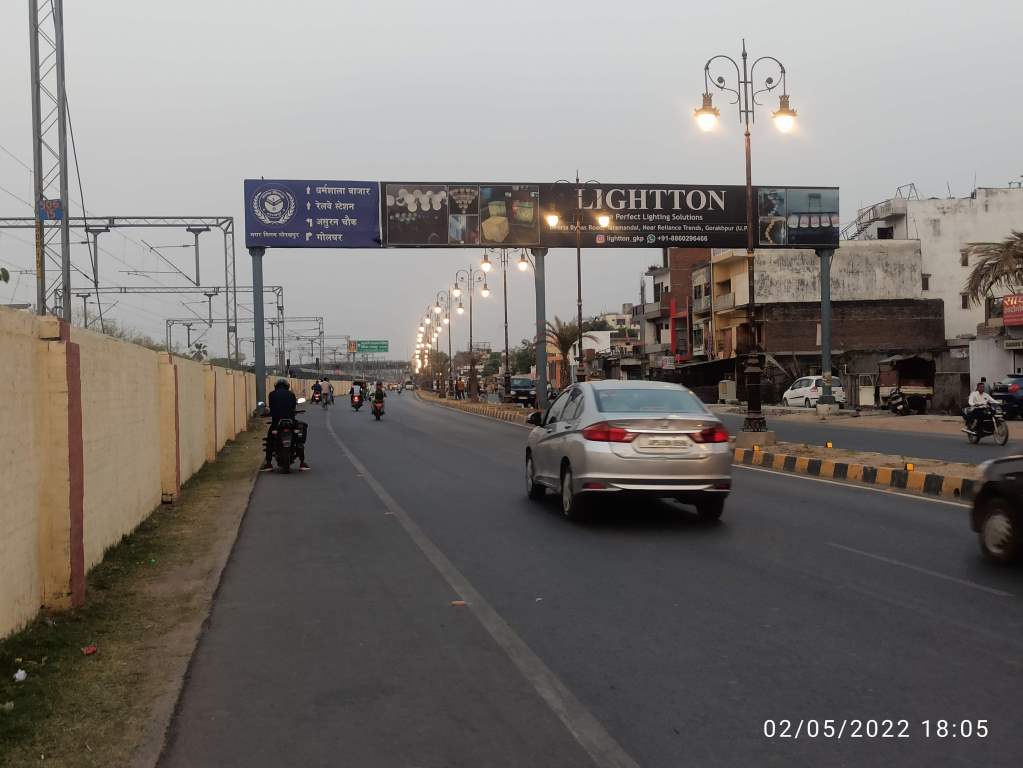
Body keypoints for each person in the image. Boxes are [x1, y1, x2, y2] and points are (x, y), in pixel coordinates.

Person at [262, 378, 308, 471]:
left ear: (276, 386)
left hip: (276, 422)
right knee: (298, 439)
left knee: (270, 440)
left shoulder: (272, 394)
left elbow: (271, 408)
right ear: (287, 386)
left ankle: (268, 463)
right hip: (290, 421)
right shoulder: (291, 394)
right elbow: (293, 407)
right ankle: (302, 463)